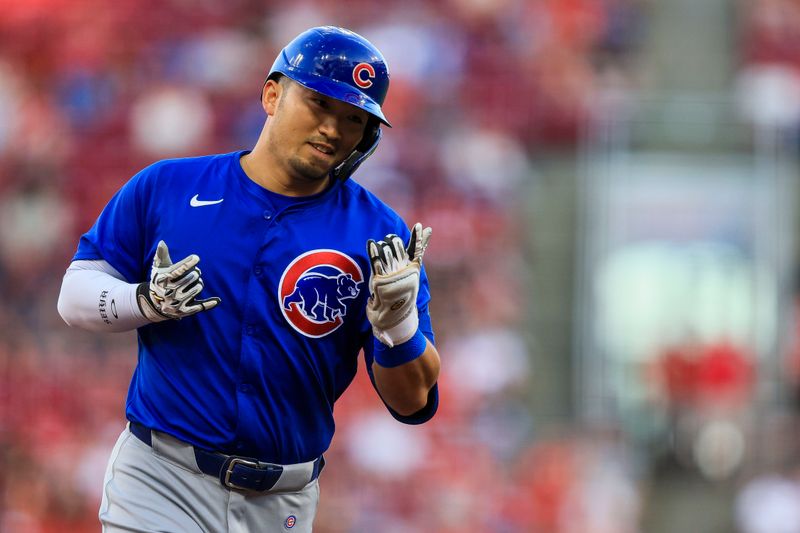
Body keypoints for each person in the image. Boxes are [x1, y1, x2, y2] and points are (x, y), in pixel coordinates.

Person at [57, 26, 441, 533]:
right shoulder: (168, 186)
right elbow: (74, 295)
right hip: (161, 478)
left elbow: (412, 403)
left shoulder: (379, 234)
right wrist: (143, 302)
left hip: (282, 502)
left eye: (353, 119)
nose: (332, 129)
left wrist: (397, 329)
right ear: (272, 93)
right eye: (319, 104)